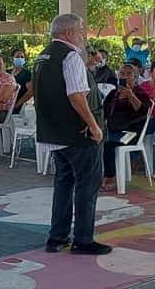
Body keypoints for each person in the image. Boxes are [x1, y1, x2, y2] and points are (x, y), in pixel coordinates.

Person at [33, 13, 110, 255]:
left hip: (55, 133)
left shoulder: (43, 57)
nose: (83, 35)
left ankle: (57, 238)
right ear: (67, 33)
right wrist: (94, 125)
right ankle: (83, 240)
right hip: (78, 134)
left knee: (64, 184)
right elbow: (76, 95)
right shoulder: (70, 57)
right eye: (80, 30)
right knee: (87, 185)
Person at [101, 64, 152, 191]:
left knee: (108, 144)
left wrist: (131, 95)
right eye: (122, 74)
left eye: (129, 74)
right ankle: (97, 174)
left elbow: (143, 111)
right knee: (96, 140)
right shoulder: (114, 93)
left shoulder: (139, 92)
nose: (126, 77)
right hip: (114, 129)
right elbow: (104, 112)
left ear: (135, 77)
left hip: (132, 132)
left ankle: (110, 177)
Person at [10, 48, 33, 113]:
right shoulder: (7, 72)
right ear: (12, 59)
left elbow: (30, 92)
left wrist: (17, 105)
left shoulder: (26, 73)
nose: (20, 58)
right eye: (17, 57)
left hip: (16, 106)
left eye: (22, 57)